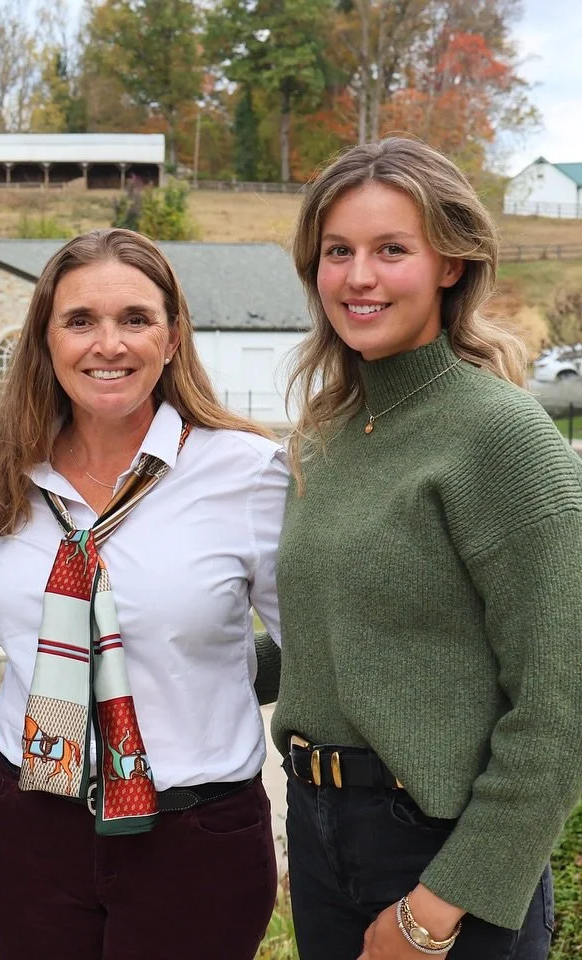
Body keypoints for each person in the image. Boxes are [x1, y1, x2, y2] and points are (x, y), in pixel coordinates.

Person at [275, 136, 580, 960]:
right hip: (320, 833)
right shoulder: (330, 436)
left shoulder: (502, 439)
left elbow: (560, 709)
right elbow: (329, 639)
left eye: (391, 250)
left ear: (450, 264)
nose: (358, 277)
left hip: (442, 857)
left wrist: (437, 910)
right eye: (338, 252)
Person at [0, 227, 286, 960]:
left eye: (135, 319)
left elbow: (316, 648)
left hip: (194, 839)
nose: (107, 344)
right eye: (80, 321)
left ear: (172, 338)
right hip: (30, 828)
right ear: (45, 342)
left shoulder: (250, 475)